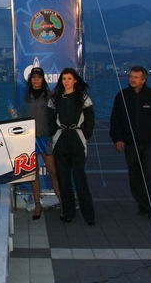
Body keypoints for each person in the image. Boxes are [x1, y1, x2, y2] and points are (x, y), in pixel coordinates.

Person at [110, 66, 151, 220]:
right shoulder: (122, 96)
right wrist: (117, 138)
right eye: (131, 76)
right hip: (130, 143)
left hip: (150, 142)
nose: (132, 79)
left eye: (136, 77)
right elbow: (115, 119)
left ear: (143, 80)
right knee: (135, 177)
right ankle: (142, 203)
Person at [48, 68, 95, 225]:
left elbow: (90, 117)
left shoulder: (83, 97)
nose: (66, 81)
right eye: (64, 78)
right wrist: (52, 133)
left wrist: (87, 133)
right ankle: (68, 213)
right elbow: (50, 118)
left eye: (69, 78)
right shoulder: (54, 98)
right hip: (60, 140)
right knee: (63, 179)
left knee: (80, 177)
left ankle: (89, 215)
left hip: (77, 139)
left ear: (75, 80)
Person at [21, 67, 61, 220]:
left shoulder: (51, 96)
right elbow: (19, 116)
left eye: (39, 77)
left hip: (46, 138)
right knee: (34, 173)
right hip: (30, 139)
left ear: (43, 79)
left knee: (53, 172)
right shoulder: (25, 97)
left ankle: (62, 201)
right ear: (30, 79)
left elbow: (57, 117)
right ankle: (37, 205)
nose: (36, 80)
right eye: (34, 77)